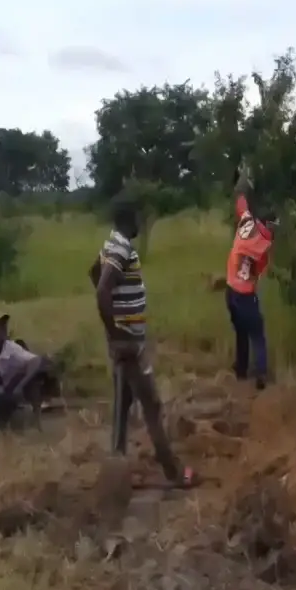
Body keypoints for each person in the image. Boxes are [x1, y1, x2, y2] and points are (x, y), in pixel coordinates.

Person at [89, 197, 198, 488]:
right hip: (129, 345)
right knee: (151, 405)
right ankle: (174, 473)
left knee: (123, 403)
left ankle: (117, 464)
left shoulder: (113, 244)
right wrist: (117, 334)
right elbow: (101, 290)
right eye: (138, 217)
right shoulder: (121, 246)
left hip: (126, 342)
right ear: (129, 219)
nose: (140, 222)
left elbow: (94, 273)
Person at [225, 166, 278, 390]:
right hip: (246, 294)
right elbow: (260, 269)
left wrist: (242, 182)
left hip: (230, 291)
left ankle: (241, 370)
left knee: (241, 332)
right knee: (257, 334)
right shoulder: (266, 244)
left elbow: (241, 201)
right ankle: (261, 375)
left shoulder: (247, 222)